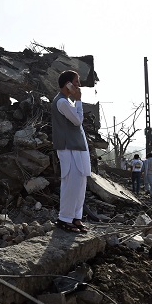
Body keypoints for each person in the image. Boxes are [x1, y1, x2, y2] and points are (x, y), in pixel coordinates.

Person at [50, 70, 91, 233]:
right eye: (76, 82)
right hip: (68, 148)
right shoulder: (62, 102)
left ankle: (76, 217)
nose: (78, 85)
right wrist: (79, 100)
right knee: (71, 183)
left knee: (80, 183)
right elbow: (77, 120)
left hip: (77, 147)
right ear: (67, 84)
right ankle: (64, 218)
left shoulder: (67, 101)